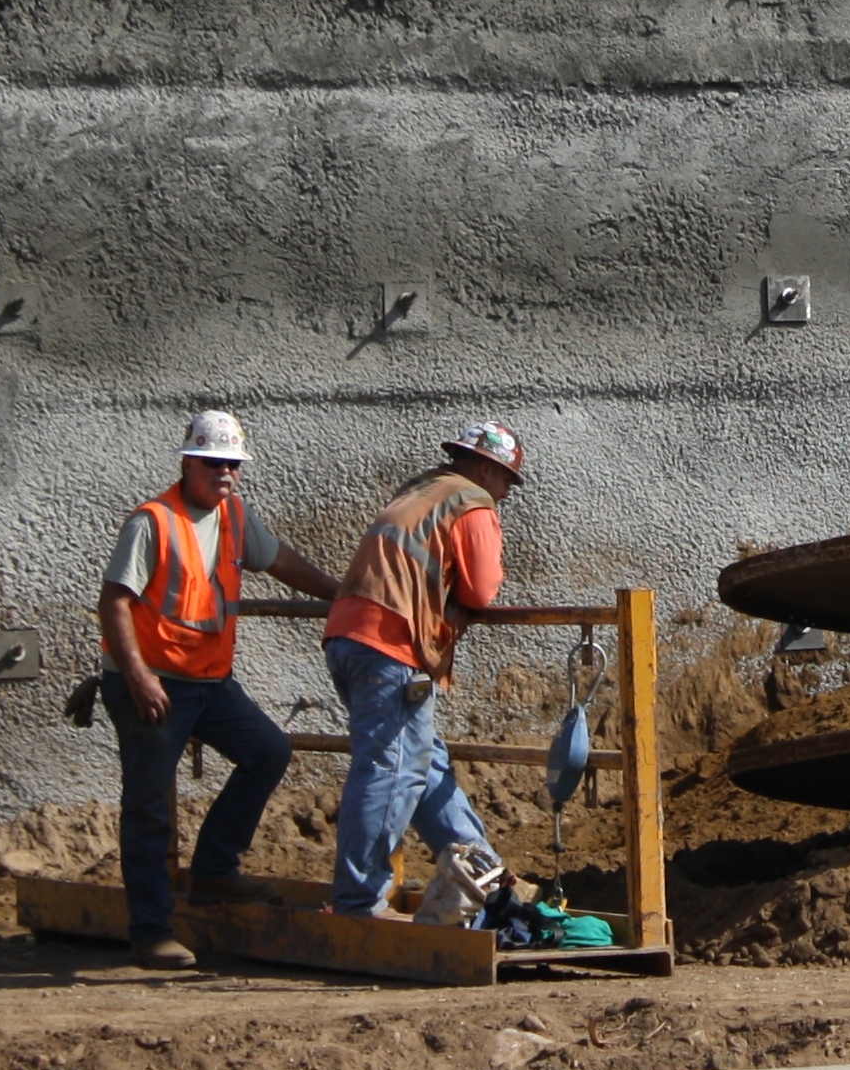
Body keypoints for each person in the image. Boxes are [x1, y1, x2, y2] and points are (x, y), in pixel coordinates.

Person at [96, 408, 344, 968]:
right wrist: (136, 676)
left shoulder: (233, 514)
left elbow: (278, 559)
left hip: (209, 682)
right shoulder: (153, 521)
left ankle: (214, 871)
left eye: (232, 465)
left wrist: (341, 595)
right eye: (214, 464)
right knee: (150, 806)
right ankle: (151, 932)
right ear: (189, 462)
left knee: (267, 751)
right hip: (155, 683)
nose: (225, 474)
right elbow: (115, 602)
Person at [320, 421, 527, 926]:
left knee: (424, 767)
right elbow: (481, 590)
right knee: (390, 770)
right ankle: (358, 906)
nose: (505, 495)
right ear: (486, 469)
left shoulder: (421, 489)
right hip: (389, 645)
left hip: (352, 635)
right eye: (506, 483)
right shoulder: (472, 501)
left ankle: (488, 882)